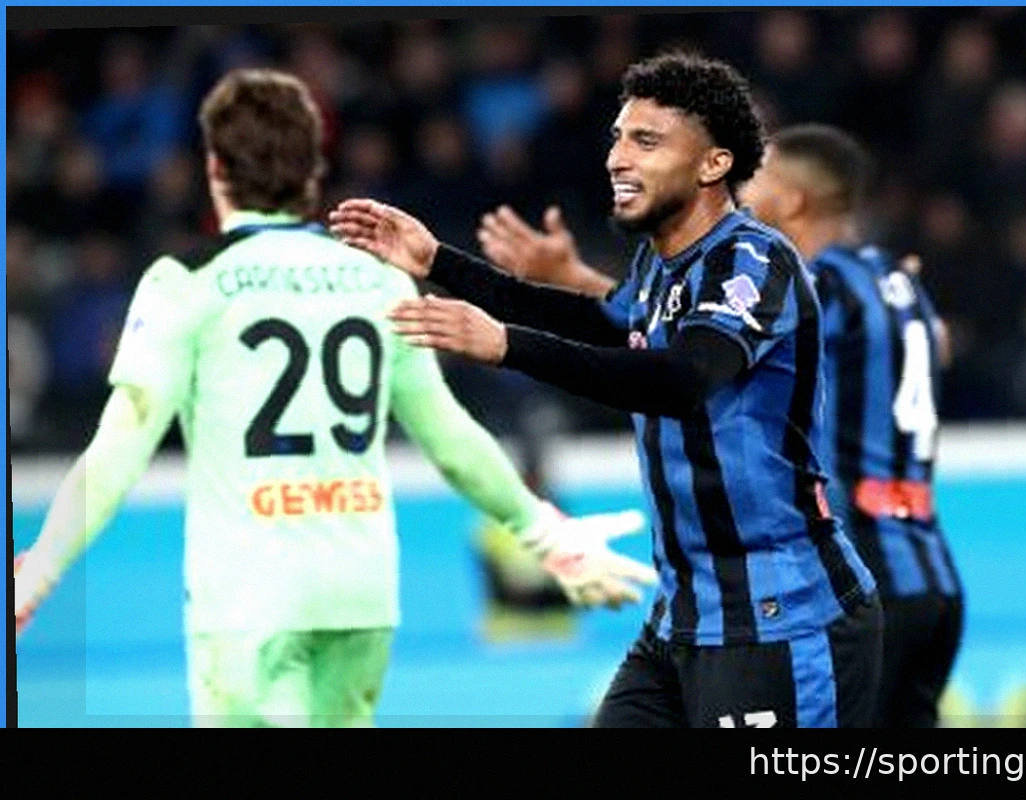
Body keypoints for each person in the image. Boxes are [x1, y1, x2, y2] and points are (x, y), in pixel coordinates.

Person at [13, 68, 655, 729]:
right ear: (312, 171)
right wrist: (545, 534)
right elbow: (449, 435)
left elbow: (122, 446)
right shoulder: (376, 279)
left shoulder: (185, 283)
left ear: (215, 168)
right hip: (358, 592)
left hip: (250, 596)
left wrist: (37, 574)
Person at [330, 53, 883, 728]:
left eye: (646, 141)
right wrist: (437, 261)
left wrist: (504, 344)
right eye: (618, 138)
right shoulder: (660, 263)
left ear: (713, 164)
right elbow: (592, 320)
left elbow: (682, 379)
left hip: (780, 615)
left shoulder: (753, 260)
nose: (618, 158)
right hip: (686, 616)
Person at [468, 123, 965, 727]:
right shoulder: (893, 279)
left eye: (759, 178)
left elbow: (695, 341)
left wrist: (567, 286)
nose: (743, 189)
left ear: (795, 201)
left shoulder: (808, 281)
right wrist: (574, 278)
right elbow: (938, 346)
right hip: (930, 571)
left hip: (845, 574)